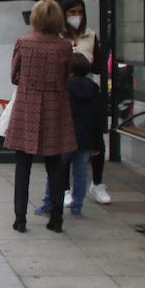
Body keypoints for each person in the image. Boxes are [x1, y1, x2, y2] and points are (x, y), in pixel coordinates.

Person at [5, 0, 76, 233]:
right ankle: (56, 218)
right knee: (54, 163)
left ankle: (20, 218)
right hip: (55, 106)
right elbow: (67, 74)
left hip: (28, 105)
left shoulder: (24, 43)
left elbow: (14, 76)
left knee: (22, 163)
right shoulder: (65, 46)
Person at [36, 54, 103, 218]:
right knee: (80, 174)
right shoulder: (94, 89)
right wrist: (97, 143)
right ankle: (77, 206)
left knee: (56, 171)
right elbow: (98, 117)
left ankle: (48, 204)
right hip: (86, 138)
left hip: (65, 136)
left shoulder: (63, 87)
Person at [61, 0, 111, 205]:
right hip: (64, 92)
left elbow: (99, 65)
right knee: (64, 142)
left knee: (95, 139)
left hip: (87, 91)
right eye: (71, 12)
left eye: (79, 11)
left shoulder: (90, 35)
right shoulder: (58, 36)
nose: (76, 16)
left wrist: (82, 62)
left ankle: (97, 184)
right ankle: (64, 187)